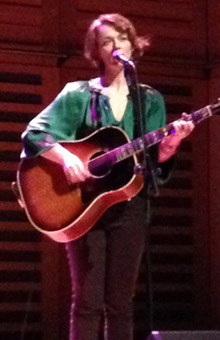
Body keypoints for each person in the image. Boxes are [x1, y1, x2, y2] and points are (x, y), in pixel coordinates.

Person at [21, 13, 194, 340]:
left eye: (122, 39)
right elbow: (33, 135)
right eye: (107, 42)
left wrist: (170, 144)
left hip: (129, 206)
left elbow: (153, 161)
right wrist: (66, 157)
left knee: (121, 302)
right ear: (96, 51)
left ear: (133, 44)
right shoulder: (78, 95)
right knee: (87, 300)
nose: (117, 47)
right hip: (83, 205)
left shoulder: (149, 99)